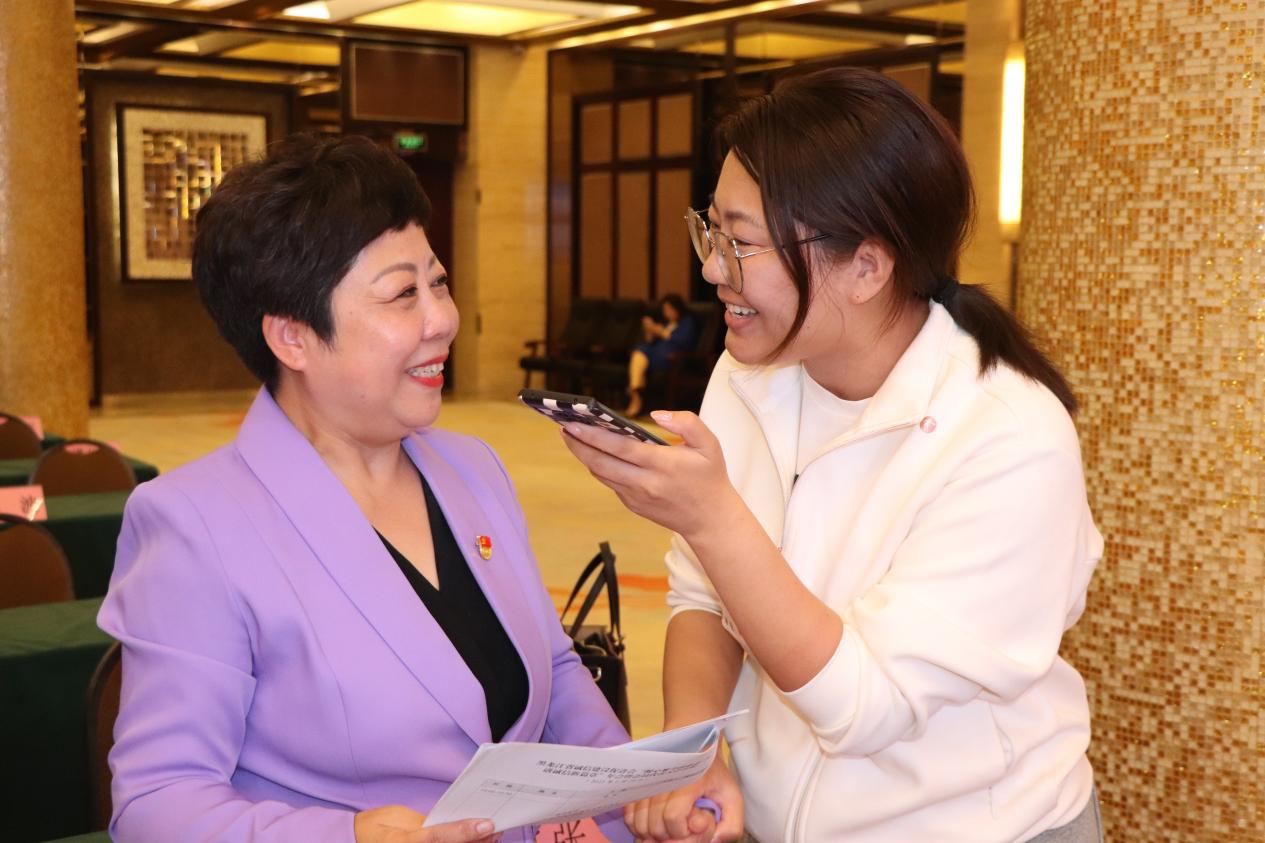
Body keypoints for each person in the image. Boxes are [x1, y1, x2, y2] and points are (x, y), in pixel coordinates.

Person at [561, 67, 1103, 843]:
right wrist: (693, 749)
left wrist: (712, 516)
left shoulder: (1008, 437)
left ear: (866, 266)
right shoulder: (749, 375)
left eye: (742, 242)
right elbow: (702, 599)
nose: (711, 267)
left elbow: (863, 704)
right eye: (710, 230)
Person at [98, 135, 633, 843]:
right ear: (292, 338)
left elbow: (556, 676)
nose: (444, 318)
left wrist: (636, 796)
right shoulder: (194, 525)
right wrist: (352, 836)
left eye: (438, 282)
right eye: (403, 294)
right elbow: (157, 804)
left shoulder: (473, 468)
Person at [624, 294, 698, 417]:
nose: (667, 312)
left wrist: (660, 331)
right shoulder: (667, 323)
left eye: (669, 309)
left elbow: (684, 342)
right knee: (640, 350)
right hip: (656, 354)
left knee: (641, 352)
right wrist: (650, 331)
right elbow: (651, 342)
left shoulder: (687, 322)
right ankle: (636, 390)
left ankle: (634, 392)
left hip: (673, 358)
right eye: (665, 310)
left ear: (677, 308)